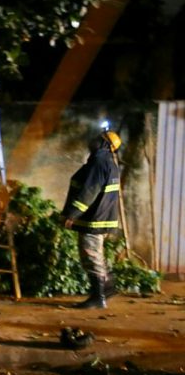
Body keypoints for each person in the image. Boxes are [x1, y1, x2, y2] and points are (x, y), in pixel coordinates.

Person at [61, 129, 123, 309]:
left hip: (94, 219)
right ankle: (108, 287)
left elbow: (88, 192)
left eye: (98, 139)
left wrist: (72, 213)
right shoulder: (108, 163)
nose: (93, 141)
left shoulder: (98, 163)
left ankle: (98, 298)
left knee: (90, 256)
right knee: (96, 255)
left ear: (105, 144)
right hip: (101, 218)